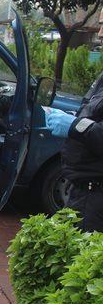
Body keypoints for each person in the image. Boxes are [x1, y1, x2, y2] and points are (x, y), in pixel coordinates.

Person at [44, 71, 103, 232]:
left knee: (86, 254)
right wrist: (74, 117)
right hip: (82, 191)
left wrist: (77, 126)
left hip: (96, 195)